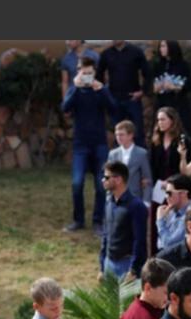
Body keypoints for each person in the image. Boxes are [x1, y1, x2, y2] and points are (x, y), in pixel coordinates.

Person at [62, 57, 117, 234]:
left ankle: (97, 221)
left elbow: (114, 108)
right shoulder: (75, 90)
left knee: (102, 184)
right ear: (78, 72)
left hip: (99, 144)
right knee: (77, 183)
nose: (87, 77)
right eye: (83, 73)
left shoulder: (100, 90)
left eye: (89, 73)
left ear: (94, 73)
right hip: (80, 145)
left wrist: (102, 90)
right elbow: (65, 108)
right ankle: (78, 220)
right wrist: (76, 88)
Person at [99, 161, 148, 280]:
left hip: (126, 265)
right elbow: (106, 235)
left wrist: (133, 270)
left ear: (118, 179)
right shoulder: (109, 202)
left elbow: (139, 240)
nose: (102, 180)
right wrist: (102, 266)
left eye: (106, 177)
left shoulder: (136, 206)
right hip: (109, 263)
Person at [98, 40, 151, 147]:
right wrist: (105, 94)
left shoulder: (136, 52)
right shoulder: (106, 54)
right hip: (114, 99)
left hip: (133, 99)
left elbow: (148, 74)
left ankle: (140, 161)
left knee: (138, 132)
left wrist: (142, 92)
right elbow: (99, 76)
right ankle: (118, 161)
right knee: (118, 133)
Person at [152, 40, 191, 142]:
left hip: (179, 103)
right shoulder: (158, 65)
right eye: (160, 47)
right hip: (162, 102)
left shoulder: (182, 65)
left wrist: (175, 87)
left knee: (184, 129)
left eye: (164, 46)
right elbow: (150, 84)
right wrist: (156, 87)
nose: (161, 49)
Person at [109, 120, 153, 208]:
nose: (118, 137)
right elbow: (109, 178)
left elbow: (147, 179)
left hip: (135, 198)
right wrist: (109, 198)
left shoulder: (141, 153)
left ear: (130, 135)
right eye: (117, 135)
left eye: (121, 135)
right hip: (117, 199)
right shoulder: (113, 154)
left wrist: (146, 202)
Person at [149, 107, 187, 206]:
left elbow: (185, 167)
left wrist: (170, 182)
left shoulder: (181, 140)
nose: (159, 122)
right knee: (158, 213)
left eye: (163, 119)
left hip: (176, 184)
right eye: (158, 120)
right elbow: (152, 164)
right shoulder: (156, 140)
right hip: (159, 185)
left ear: (172, 120)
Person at [155, 174, 191, 252]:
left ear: (183, 193)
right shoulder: (171, 211)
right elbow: (160, 244)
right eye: (165, 193)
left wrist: (160, 221)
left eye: (169, 193)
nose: (166, 196)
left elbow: (168, 245)